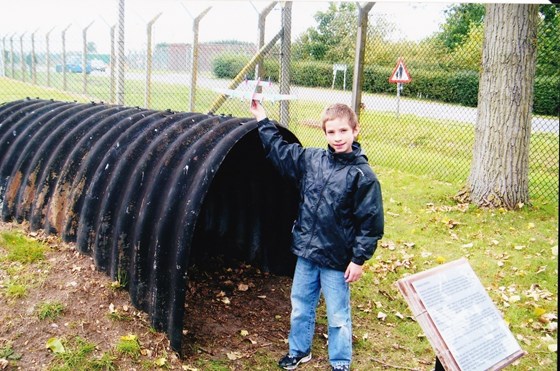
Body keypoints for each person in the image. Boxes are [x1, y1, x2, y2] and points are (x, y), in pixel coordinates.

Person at [250, 101, 384, 371]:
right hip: (307, 254)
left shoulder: (363, 176)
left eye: (343, 131)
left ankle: (340, 361)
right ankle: (299, 350)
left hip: (337, 259)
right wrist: (262, 118)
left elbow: (370, 224)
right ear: (324, 133)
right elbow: (281, 151)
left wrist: (358, 260)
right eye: (331, 132)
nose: (338, 138)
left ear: (355, 131)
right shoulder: (312, 160)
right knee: (300, 306)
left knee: (337, 316)